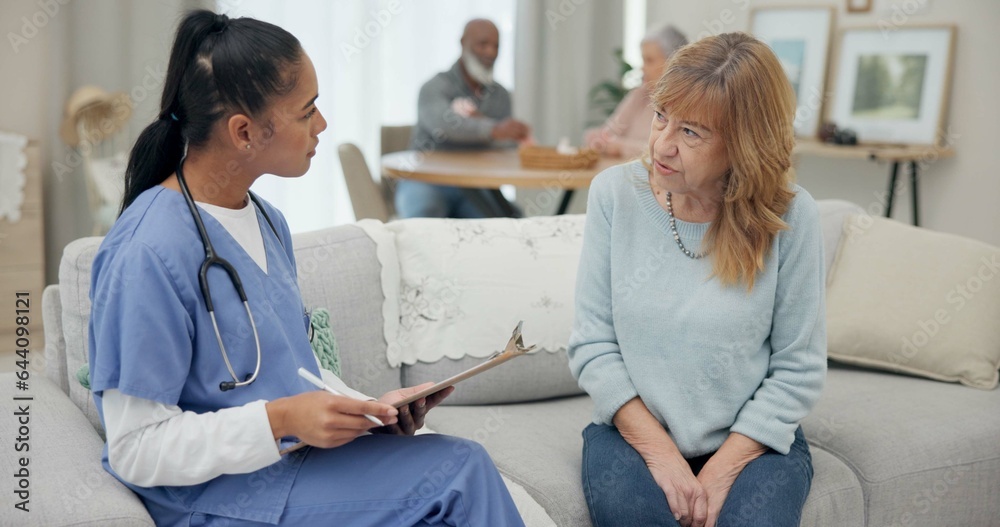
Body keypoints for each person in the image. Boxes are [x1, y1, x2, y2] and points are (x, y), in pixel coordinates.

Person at [88, 10, 525, 526]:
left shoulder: (267, 222)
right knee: (460, 473)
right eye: (307, 111)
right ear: (244, 132)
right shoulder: (145, 252)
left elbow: (286, 369)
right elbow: (135, 447)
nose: (322, 125)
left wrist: (368, 412)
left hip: (288, 463)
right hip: (215, 494)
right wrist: (282, 421)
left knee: (450, 464)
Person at [568, 32, 826, 527]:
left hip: (754, 443)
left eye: (691, 133)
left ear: (744, 145)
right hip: (630, 435)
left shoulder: (792, 216)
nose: (662, 144)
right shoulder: (614, 195)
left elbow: (799, 367)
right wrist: (660, 454)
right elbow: (593, 344)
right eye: (661, 117)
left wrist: (723, 470)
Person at [395, 18, 531, 219]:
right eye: (483, 44)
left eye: (496, 46)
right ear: (462, 43)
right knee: (424, 216)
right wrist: (493, 129)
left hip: (475, 184)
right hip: (427, 179)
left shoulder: (500, 95)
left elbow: (507, 146)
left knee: (506, 222)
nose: (491, 52)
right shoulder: (434, 87)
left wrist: (510, 135)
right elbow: (443, 127)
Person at [583, 24, 687, 159]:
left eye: (649, 60)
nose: (642, 69)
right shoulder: (641, 94)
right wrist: (598, 138)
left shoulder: (685, 103)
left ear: (674, 62)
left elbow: (665, 152)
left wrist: (619, 147)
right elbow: (607, 133)